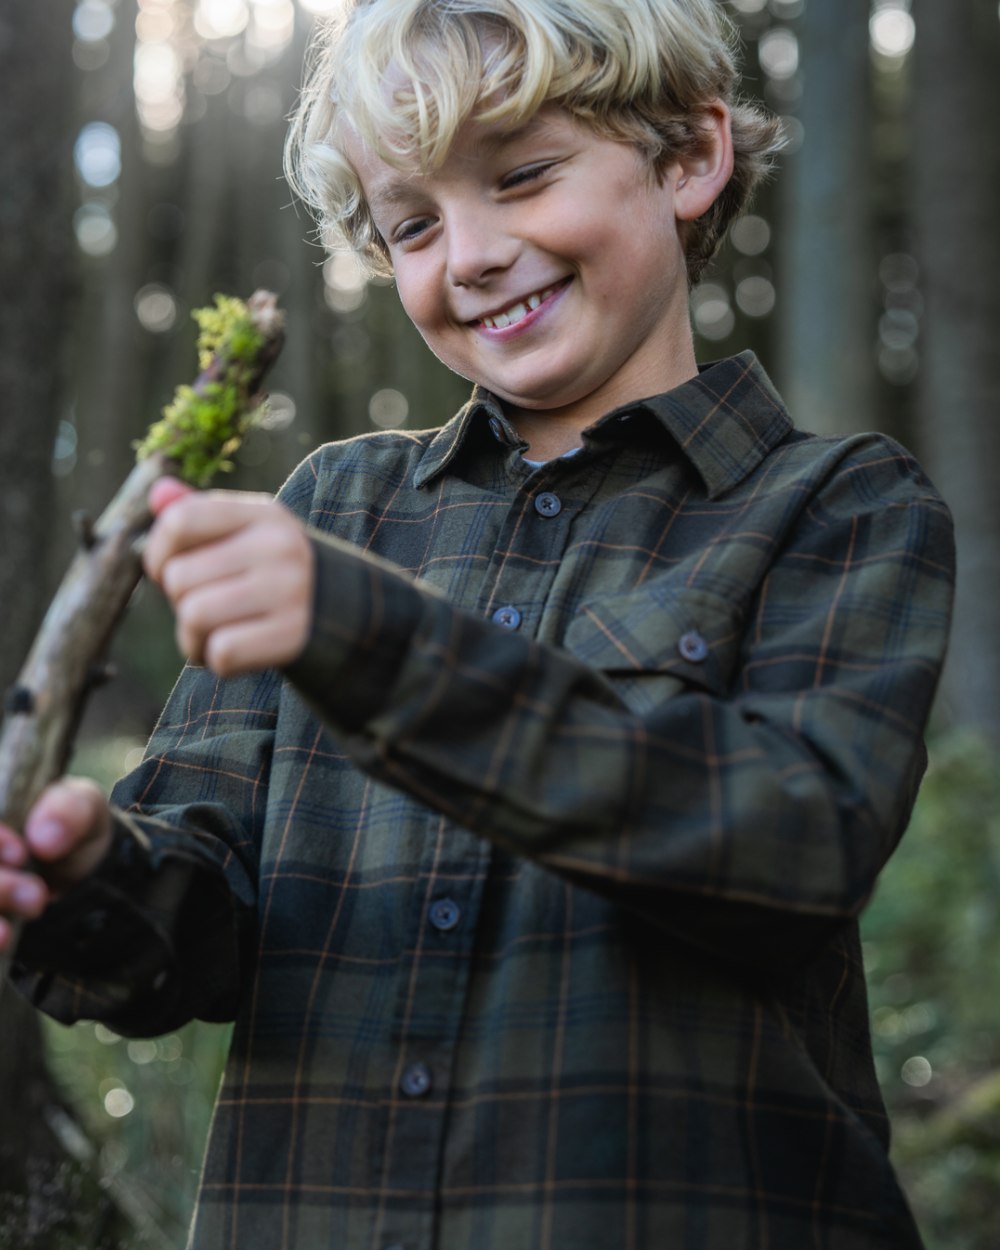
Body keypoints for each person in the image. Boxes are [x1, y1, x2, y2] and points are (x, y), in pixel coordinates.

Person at [0, 1, 954, 1247]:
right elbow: (197, 928)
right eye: (413, 224)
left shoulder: (835, 504)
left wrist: (374, 642)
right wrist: (85, 877)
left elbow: (786, 851)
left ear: (687, 156)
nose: (472, 254)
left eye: (522, 175)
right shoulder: (332, 507)